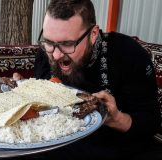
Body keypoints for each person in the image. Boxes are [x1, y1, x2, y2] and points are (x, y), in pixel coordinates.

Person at [13, 0, 162, 159]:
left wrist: (117, 119)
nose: (56, 55)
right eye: (49, 42)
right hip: (54, 143)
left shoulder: (128, 54)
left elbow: (150, 123)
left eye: (68, 44)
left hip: (111, 148)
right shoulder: (46, 53)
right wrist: (26, 92)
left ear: (93, 34)